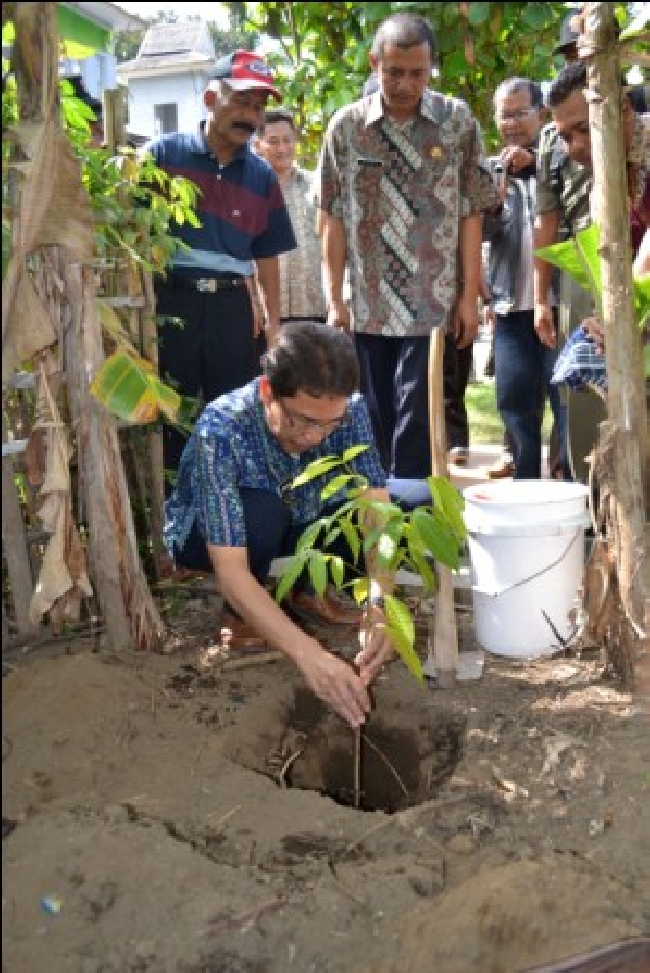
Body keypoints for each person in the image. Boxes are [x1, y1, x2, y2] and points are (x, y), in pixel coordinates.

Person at [164, 321, 402, 729]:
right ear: (267, 392)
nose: (315, 436)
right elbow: (231, 573)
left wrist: (381, 604)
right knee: (262, 514)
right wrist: (312, 658)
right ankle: (241, 616)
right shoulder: (221, 429)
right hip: (216, 539)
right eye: (303, 421)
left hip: (299, 516)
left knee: (408, 507)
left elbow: (376, 513)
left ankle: (303, 590)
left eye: (331, 425)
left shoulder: (350, 412)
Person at [316, 12, 497, 479]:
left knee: (424, 420)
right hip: (369, 307)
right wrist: (334, 299)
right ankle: (378, 527)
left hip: (433, 306)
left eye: (417, 73)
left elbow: (470, 212)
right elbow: (331, 217)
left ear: (431, 68)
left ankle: (420, 531)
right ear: (375, 62)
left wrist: (468, 297)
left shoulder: (456, 123)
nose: (404, 84)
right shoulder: (346, 128)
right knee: (371, 419)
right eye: (394, 72)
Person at [140, 51, 297, 492]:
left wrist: (273, 328)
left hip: (233, 308)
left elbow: (268, 256)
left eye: (258, 106)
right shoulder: (162, 156)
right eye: (242, 100)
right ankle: (176, 525)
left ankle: (231, 514)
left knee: (236, 413)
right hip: (173, 304)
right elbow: (135, 236)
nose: (251, 115)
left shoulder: (262, 176)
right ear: (212, 97)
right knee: (172, 414)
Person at [535, 61, 649, 386]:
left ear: (623, 108)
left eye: (584, 129)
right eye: (565, 137)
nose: (575, 148)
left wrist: (621, 314)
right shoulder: (598, 184)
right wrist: (603, 320)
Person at [483, 77, 568, 480]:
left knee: (566, 399)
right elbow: (479, 236)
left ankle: (573, 488)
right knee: (515, 402)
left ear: (542, 114)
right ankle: (525, 485)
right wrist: (492, 206)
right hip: (510, 308)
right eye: (505, 114)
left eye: (521, 113)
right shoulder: (490, 169)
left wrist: (535, 168)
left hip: (559, 305)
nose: (513, 123)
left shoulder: (566, 157)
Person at [252, 108, 327, 324]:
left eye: (287, 140)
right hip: (269, 314)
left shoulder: (317, 186)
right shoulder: (251, 191)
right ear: (258, 145)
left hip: (313, 308)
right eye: (273, 141)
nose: (282, 148)